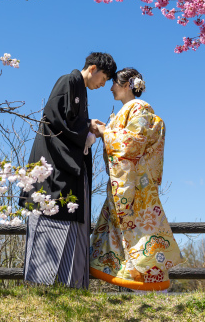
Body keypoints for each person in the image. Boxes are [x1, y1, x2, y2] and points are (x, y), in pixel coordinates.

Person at [19, 52, 117, 289]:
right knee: (51, 215)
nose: (103, 84)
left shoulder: (80, 90)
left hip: (67, 168)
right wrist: (88, 128)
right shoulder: (68, 82)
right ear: (93, 68)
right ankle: (41, 286)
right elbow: (55, 120)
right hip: (54, 168)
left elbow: (71, 124)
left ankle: (68, 285)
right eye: (103, 78)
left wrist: (88, 126)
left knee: (70, 219)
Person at [89, 68, 182, 291]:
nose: (111, 87)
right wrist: (106, 130)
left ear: (127, 85)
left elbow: (133, 142)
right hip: (124, 182)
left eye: (114, 83)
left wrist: (105, 133)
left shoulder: (139, 108)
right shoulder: (126, 111)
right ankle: (130, 280)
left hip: (135, 184)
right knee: (128, 232)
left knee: (142, 232)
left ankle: (145, 282)